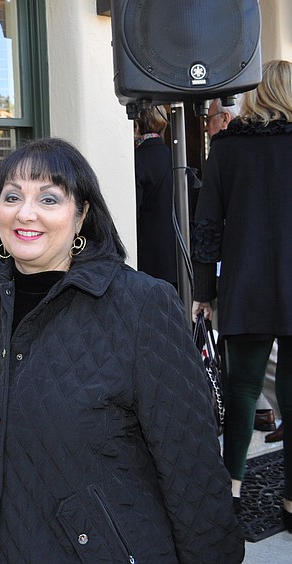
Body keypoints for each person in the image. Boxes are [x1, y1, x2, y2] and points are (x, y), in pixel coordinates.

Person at [0, 137, 244, 562]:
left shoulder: (141, 305)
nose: (24, 213)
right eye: (11, 196)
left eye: (49, 198)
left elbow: (191, 468)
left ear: (82, 214)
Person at [192, 59, 292, 531]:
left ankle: (231, 491)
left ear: (256, 95)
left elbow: (207, 225)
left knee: (243, 392)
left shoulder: (225, 149)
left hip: (246, 285)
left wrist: (203, 290)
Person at [133, 104, 178, 287]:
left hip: (149, 256)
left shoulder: (137, 159)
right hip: (177, 253)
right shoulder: (177, 157)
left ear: (137, 123)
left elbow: (134, 209)